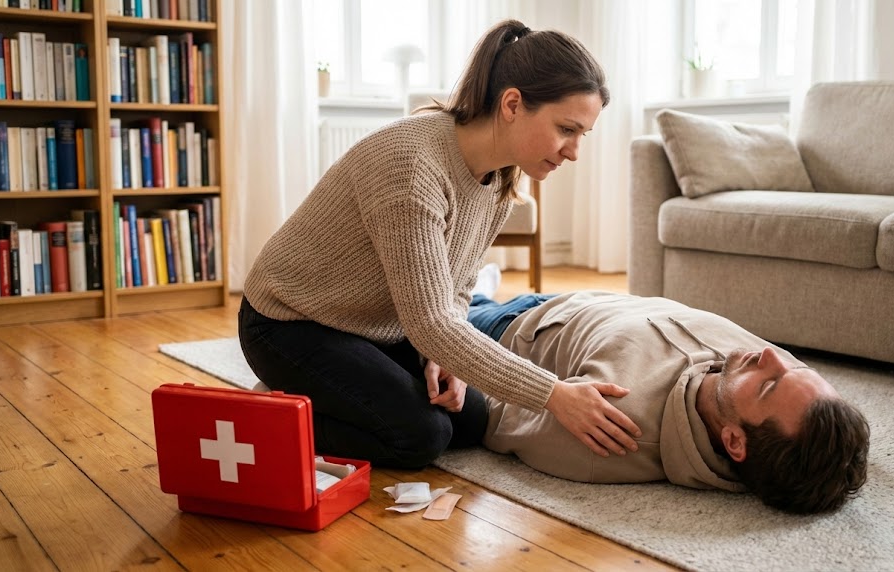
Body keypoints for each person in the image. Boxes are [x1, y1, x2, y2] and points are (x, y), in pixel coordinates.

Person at [238, 20, 643, 470]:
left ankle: (318, 396)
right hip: (288, 323)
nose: (573, 151)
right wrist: (556, 395)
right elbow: (431, 321)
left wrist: (438, 356)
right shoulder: (410, 166)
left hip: (371, 325)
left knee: (468, 422)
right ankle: (270, 413)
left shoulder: (501, 178)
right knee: (421, 436)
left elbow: (456, 287)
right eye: (567, 129)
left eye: (582, 135)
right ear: (513, 104)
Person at [467, 284, 870, 514]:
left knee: (443, 301)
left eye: (769, 384)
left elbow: (494, 412)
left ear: (733, 441)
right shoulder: (764, 372)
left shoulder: (613, 431)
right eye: (796, 369)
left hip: (515, 327)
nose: (771, 356)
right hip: (587, 296)